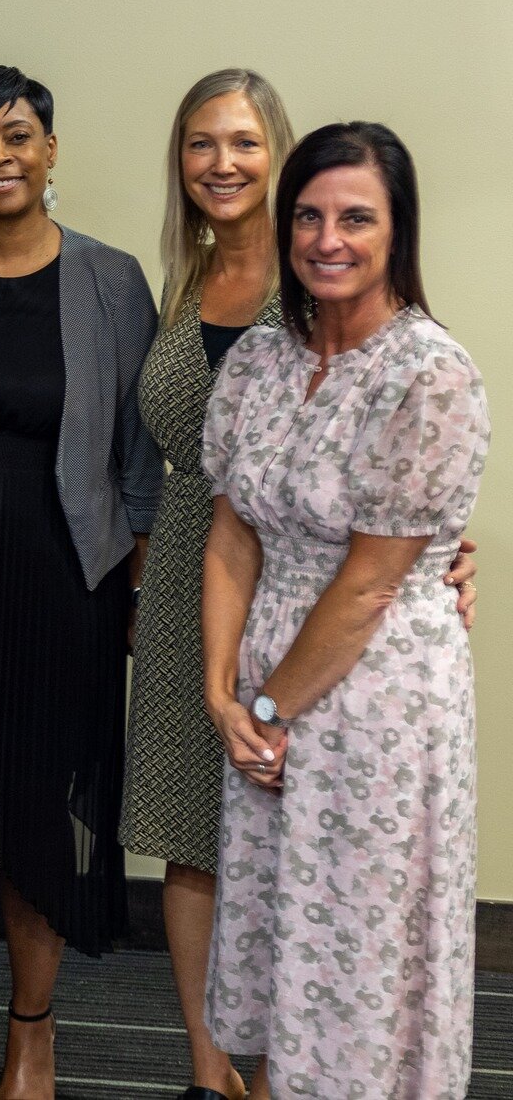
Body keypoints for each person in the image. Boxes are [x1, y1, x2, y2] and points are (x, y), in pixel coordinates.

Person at [201, 122, 489, 1099]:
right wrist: (220, 695)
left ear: (395, 230)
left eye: (355, 218)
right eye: (309, 216)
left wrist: (269, 713)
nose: (327, 237)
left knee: (362, 959)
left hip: (373, 699)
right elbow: (231, 536)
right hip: (262, 694)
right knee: (289, 951)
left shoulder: (429, 372)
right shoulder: (256, 361)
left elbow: (367, 584)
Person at [0, 65, 160, 1099]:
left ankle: (31, 1029)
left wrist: (132, 584)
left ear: (49, 149)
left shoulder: (108, 277)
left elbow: (138, 454)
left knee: (35, 812)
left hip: (60, 583)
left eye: (16, 136)